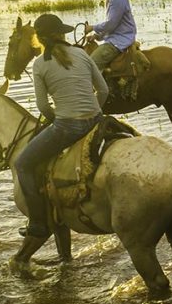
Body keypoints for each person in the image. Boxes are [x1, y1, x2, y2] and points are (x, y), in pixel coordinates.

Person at [14, 13, 108, 239]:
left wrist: (58, 118)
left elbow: (43, 106)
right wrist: (94, 113)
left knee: (23, 164)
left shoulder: (40, 64)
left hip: (67, 127)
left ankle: (37, 223)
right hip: (96, 120)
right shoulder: (82, 54)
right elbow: (104, 91)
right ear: (61, 33)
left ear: (40, 39)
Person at [82, 0, 137, 70]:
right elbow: (112, 27)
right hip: (116, 39)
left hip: (119, 41)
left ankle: (101, 86)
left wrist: (92, 27)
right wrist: (97, 36)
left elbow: (111, 24)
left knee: (90, 66)